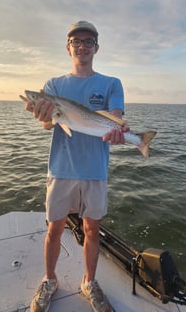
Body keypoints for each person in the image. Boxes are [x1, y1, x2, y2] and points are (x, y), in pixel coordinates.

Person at [26, 20, 129, 312]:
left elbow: (115, 117)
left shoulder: (111, 83)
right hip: (60, 169)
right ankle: (49, 280)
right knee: (54, 229)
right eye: (76, 41)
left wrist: (119, 131)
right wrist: (41, 112)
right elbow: (48, 123)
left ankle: (90, 282)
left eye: (87, 41)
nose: (82, 46)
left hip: (95, 170)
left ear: (96, 47)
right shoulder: (53, 86)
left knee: (92, 229)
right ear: (68, 47)